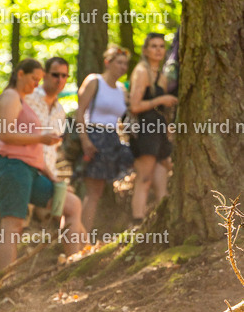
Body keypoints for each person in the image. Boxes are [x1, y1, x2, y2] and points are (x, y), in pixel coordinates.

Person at [0, 58, 63, 271]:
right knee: (12, 224)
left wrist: (49, 173)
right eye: (34, 78)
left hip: (31, 170)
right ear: (20, 74)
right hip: (12, 167)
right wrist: (40, 137)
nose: (37, 84)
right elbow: (5, 133)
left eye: (39, 80)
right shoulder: (10, 96)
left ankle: (72, 262)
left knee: (69, 204)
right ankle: (3, 279)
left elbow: (27, 142)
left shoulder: (24, 101)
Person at [27, 56, 87, 256]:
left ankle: (76, 261)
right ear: (44, 75)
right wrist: (0, 147)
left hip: (47, 174)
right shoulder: (27, 97)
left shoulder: (60, 110)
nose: (60, 80)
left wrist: (58, 179)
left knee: (73, 209)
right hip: (24, 169)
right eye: (55, 75)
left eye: (64, 76)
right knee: (16, 224)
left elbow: (54, 151)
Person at [75, 45, 134, 232]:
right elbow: (80, 112)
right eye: (119, 62)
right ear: (108, 63)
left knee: (101, 191)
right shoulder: (94, 81)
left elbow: (124, 119)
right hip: (94, 137)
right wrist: (85, 141)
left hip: (112, 139)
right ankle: (82, 239)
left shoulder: (121, 90)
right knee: (93, 192)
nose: (123, 67)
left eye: (125, 64)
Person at [127, 32, 179, 223]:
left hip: (159, 130)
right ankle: (137, 221)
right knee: (145, 177)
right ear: (146, 50)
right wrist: (160, 99)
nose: (158, 50)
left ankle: (164, 222)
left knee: (163, 173)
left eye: (161, 46)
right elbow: (134, 106)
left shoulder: (162, 76)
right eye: (154, 46)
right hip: (144, 129)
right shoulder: (141, 71)